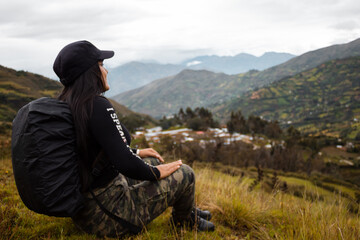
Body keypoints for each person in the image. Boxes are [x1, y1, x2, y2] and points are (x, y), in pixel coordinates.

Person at [53, 40, 215, 238]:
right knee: (185, 173)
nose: (105, 71)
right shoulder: (97, 105)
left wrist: (137, 153)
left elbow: (97, 147)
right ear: (90, 73)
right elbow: (125, 164)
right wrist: (155, 173)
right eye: (101, 65)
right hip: (109, 217)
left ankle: (187, 210)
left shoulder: (67, 104)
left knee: (153, 159)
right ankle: (184, 221)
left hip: (85, 208)